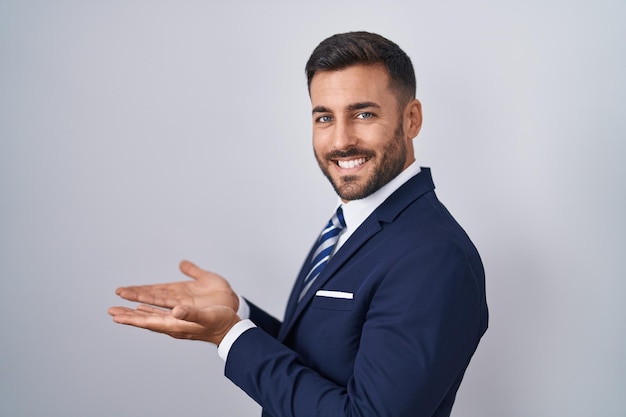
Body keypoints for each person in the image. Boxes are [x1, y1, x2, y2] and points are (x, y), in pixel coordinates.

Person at [109, 31, 488, 417]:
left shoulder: (433, 255)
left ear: (412, 119)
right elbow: (325, 362)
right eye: (325, 117)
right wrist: (239, 314)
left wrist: (230, 336)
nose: (341, 140)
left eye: (363, 114)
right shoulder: (352, 221)